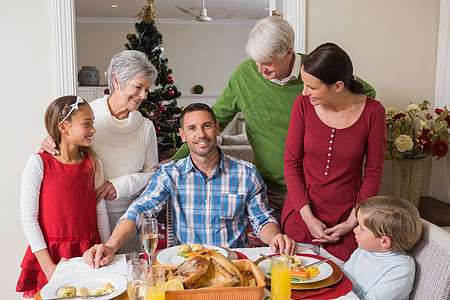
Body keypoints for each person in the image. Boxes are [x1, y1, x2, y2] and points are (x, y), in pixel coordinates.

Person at [171, 16, 375, 222]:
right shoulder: (245, 75)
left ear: (288, 52)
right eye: (256, 61)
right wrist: (174, 162)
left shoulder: (316, 73)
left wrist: (327, 113)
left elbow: (365, 94)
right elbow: (215, 120)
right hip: (268, 188)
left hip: (316, 191)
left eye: (267, 62)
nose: (260, 69)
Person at [83, 103, 298, 269]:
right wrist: (110, 246)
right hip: (185, 267)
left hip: (232, 265)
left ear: (216, 128)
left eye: (206, 126)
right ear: (183, 136)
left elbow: (262, 220)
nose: (201, 134)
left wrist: (276, 237)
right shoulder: (169, 174)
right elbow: (139, 211)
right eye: (192, 128)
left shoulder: (246, 173)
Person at [39, 50, 159, 253]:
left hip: (131, 221)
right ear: (117, 80)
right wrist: (48, 143)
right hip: (89, 219)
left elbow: (152, 173)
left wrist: (118, 186)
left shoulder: (145, 127)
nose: (143, 96)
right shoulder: (87, 117)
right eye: (138, 87)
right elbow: (62, 155)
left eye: (147, 89)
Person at [281, 42, 386, 261]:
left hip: (348, 223)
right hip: (301, 216)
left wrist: (352, 221)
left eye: (312, 86)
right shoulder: (302, 105)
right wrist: (309, 219)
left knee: (342, 286)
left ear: (338, 86)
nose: (304, 91)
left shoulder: (374, 112)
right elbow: (291, 163)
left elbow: (374, 171)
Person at [16, 96, 110, 298]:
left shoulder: (94, 163)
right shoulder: (38, 163)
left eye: (92, 123)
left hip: (89, 253)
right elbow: (28, 218)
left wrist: (108, 248)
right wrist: (49, 268)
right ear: (63, 127)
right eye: (87, 124)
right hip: (53, 257)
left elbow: (99, 211)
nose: (93, 130)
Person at [343, 196, 422, 300]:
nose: (355, 230)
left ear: (384, 241)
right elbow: (343, 275)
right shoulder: (366, 249)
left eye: (362, 229)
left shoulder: (400, 269)